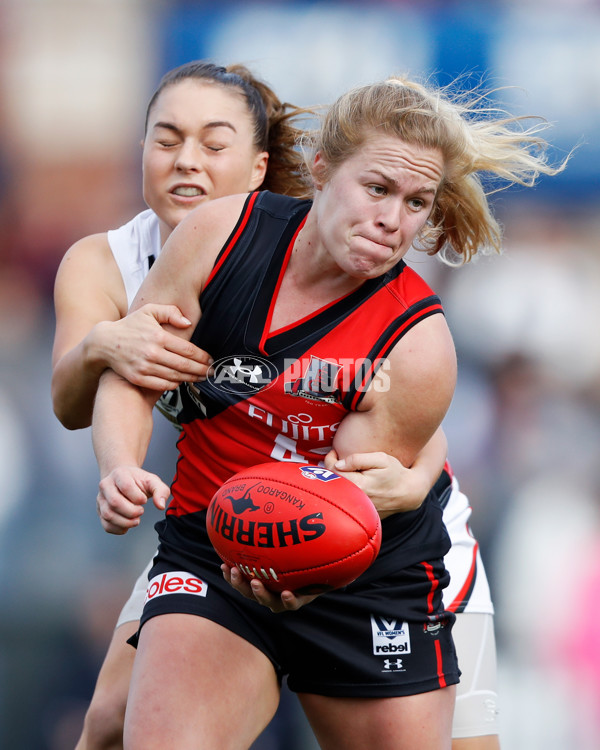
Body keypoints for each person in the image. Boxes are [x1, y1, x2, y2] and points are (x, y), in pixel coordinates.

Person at [90, 75, 566, 750]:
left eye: (415, 202)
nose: (391, 220)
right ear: (320, 170)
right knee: (121, 729)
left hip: (365, 572)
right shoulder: (217, 236)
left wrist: (303, 563)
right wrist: (116, 466)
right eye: (376, 189)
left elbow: (347, 508)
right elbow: (134, 374)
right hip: (213, 542)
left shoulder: (418, 344)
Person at [51, 60, 315, 750]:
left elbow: (402, 386)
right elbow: (69, 402)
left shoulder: (308, 254)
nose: (185, 161)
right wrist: (105, 343)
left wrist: (403, 482)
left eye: (213, 144)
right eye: (165, 140)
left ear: (259, 168)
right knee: (108, 724)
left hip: (354, 531)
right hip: (219, 536)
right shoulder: (102, 262)